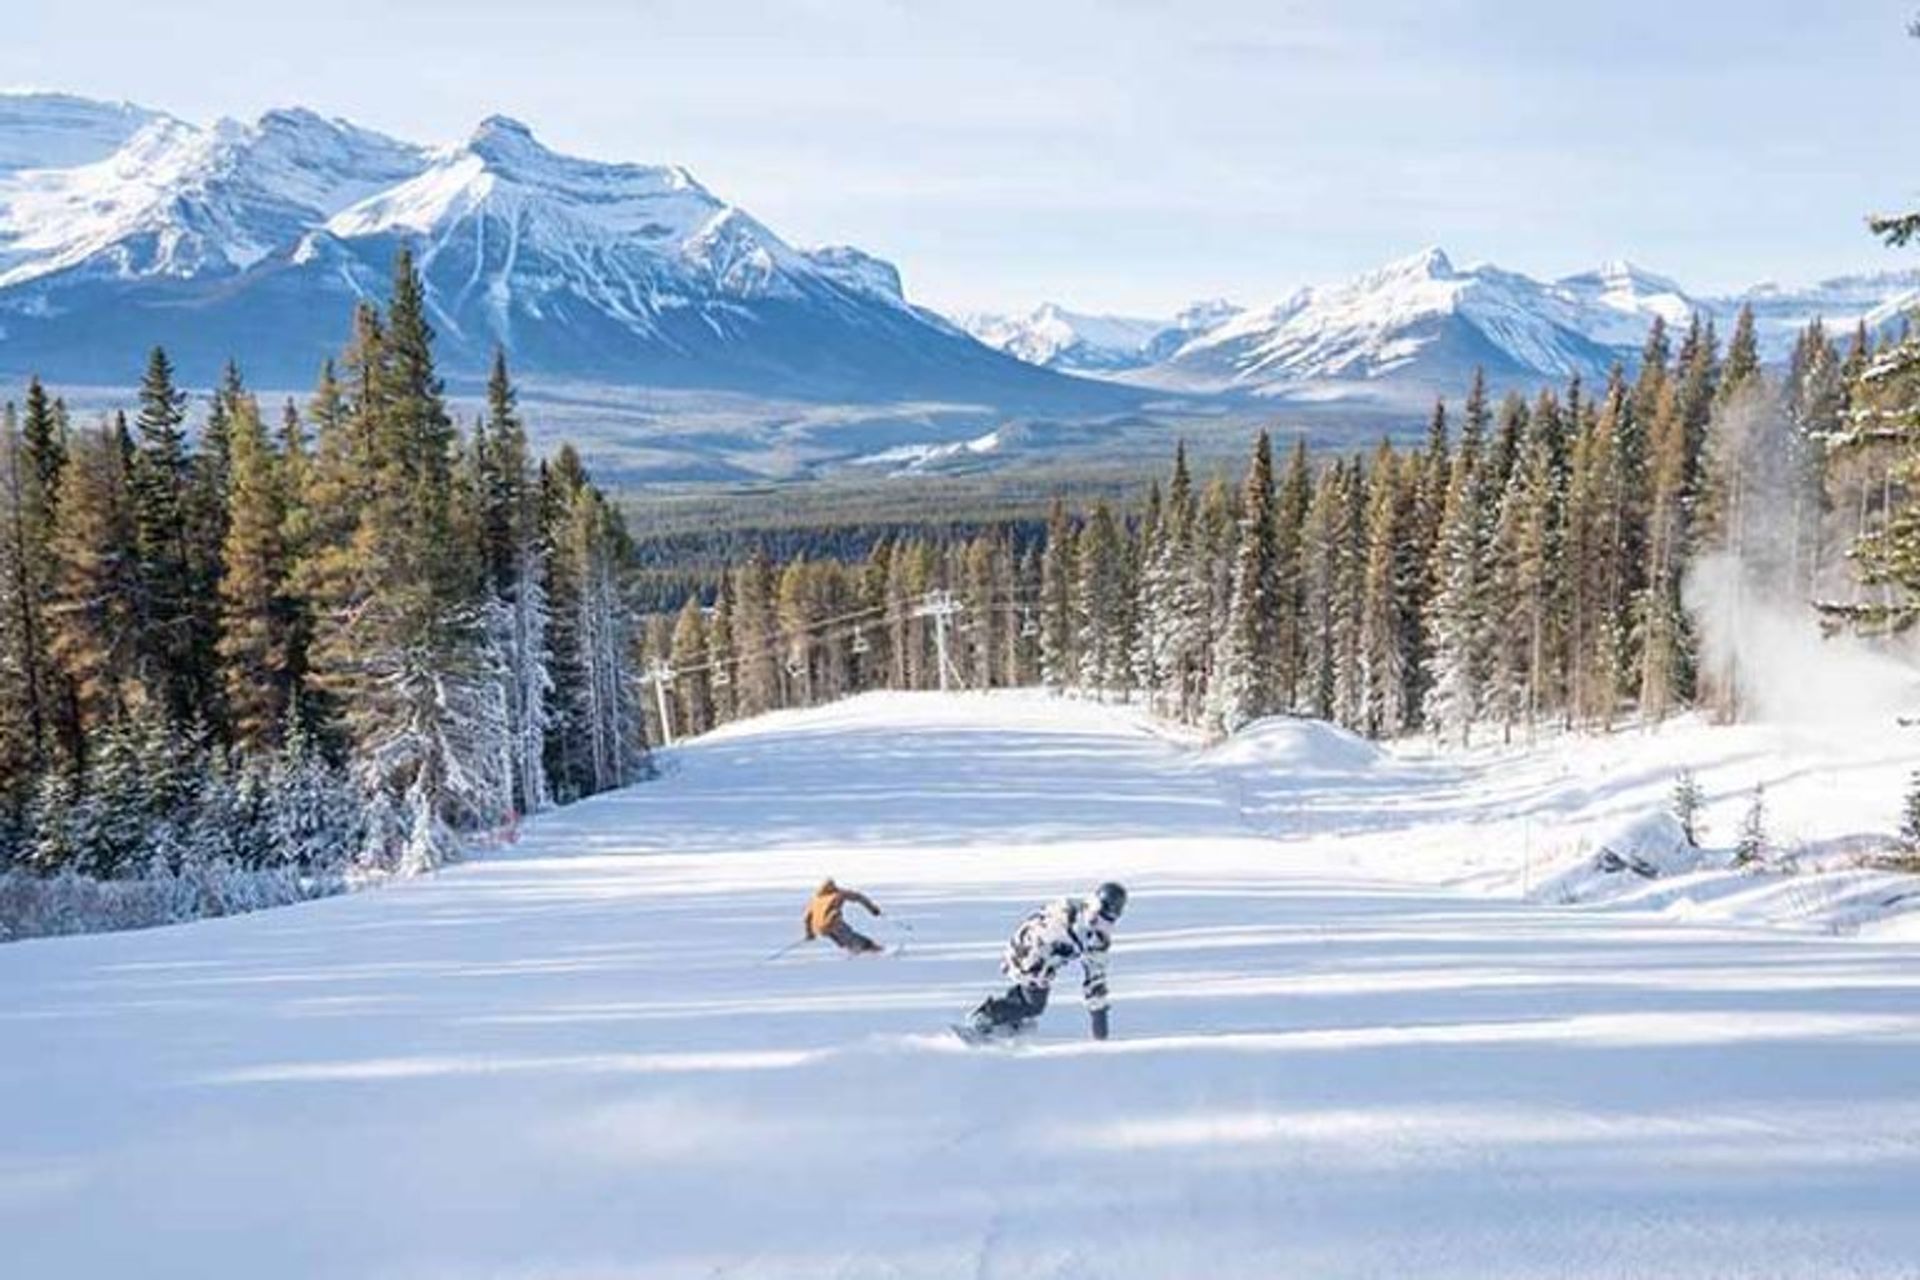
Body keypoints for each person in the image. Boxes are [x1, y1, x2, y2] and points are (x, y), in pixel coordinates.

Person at [961, 882, 1127, 1042]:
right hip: (1030, 956)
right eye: (1099, 914)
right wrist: (1039, 964)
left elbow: (1095, 980)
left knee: (1030, 1000)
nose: (1100, 921)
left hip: (1036, 957)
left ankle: (1009, 1018)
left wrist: (1100, 1029)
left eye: (1108, 918)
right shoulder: (1073, 917)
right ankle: (984, 1018)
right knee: (1034, 1006)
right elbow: (1043, 926)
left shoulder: (1093, 934)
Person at [803, 878, 884, 955]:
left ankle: (856, 953)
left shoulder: (816, 899)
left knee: (845, 942)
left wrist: (810, 933)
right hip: (832, 921)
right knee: (850, 937)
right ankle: (874, 949)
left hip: (820, 929)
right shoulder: (838, 894)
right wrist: (873, 909)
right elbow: (858, 897)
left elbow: (807, 918)